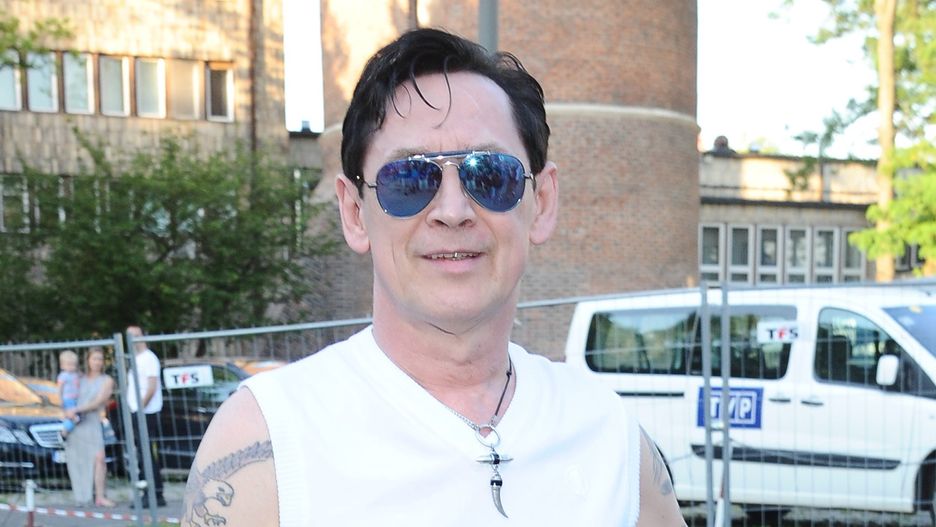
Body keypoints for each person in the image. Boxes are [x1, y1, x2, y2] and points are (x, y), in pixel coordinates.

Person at [182, 28, 686, 526]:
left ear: (542, 201)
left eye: (490, 174)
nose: (452, 210)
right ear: (354, 213)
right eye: (409, 179)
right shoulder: (267, 444)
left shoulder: (610, 436)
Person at [63, 347, 116, 507]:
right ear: (88, 361)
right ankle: (82, 495)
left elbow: (99, 401)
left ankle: (100, 496)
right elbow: (67, 394)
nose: (97, 362)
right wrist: (68, 411)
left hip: (92, 422)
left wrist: (77, 409)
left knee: (99, 458)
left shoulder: (107, 380)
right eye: (94, 359)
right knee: (79, 460)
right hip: (76, 424)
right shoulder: (79, 378)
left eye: (100, 359)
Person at [125, 325, 166, 507]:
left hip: (146, 413)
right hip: (138, 411)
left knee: (147, 454)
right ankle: (151, 492)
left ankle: (153, 493)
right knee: (143, 453)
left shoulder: (149, 358)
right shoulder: (135, 359)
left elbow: (151, 386)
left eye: (136, 335)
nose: (133, 339)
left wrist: (140, 408)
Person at [56, 350, 81, 437]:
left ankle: (68, 429)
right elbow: (60, 389)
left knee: (73, 417)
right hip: (68, 399)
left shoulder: (75, 375)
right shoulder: (63, 376)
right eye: (69, 364)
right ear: (62, 365)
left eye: (74, 365)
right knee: (72, 417)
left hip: (75, 399)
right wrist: (60, 400)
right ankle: (64, 431)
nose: (72, 367)